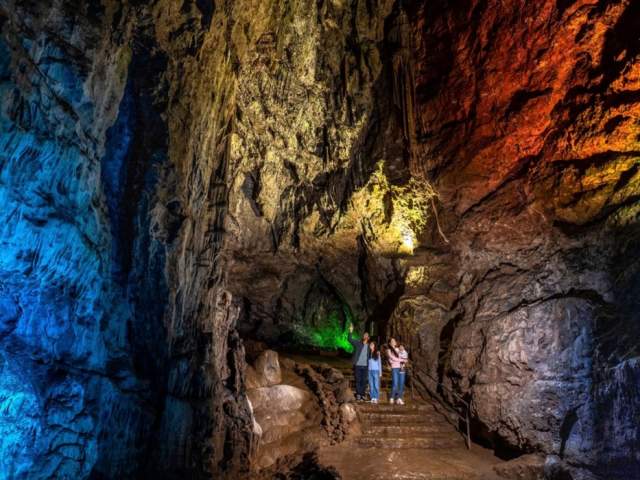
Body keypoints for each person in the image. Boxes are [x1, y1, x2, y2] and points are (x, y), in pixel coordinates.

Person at [348, 323, 369, 401]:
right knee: (358, 380)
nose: (365, 336)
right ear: (363, 337)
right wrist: (350, 331)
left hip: (366, 366)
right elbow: (350, 339)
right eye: (364, 335)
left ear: (368, 338)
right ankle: (358, 394)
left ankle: (362, 394)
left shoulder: (369, 346)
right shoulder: (357, 343)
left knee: (364, 381)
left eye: (367, 335)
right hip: (358, 365)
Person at [387, 338, 405, 405]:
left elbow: (404, 357)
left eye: (394, 341)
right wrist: (400, 360)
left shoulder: (399, 349)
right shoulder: (389, 350)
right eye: (392, 341)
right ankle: (392, 397)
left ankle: (399, 398)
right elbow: (391, 358)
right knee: (395, 383)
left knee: (401, 383)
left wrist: (402, 360)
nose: (393, 342)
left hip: (402, 368)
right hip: (395, 368)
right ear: (389, 343)